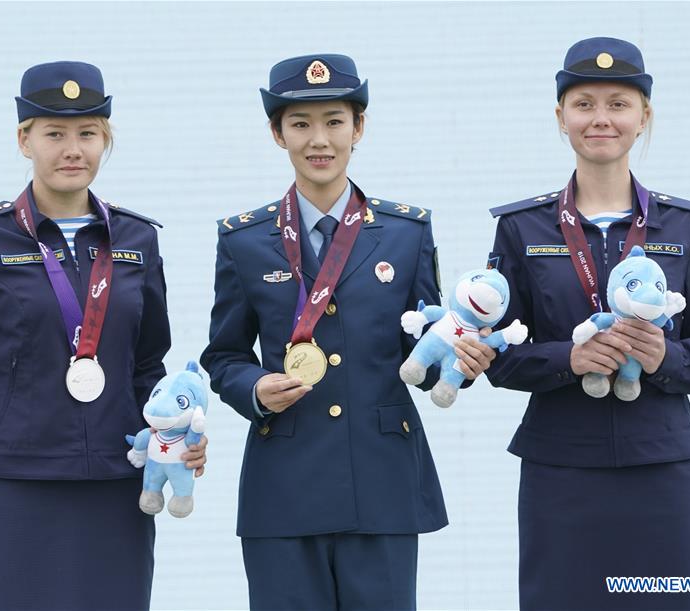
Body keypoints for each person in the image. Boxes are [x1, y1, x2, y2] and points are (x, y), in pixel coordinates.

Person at [200, 53, 495, 609]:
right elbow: (223, 355)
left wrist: (461, 359)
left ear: (359, 127)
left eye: (335, 121)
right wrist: (253, 390)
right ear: (277, 133)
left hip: (382, 482)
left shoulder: (406, 232)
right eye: (301, 123)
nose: (320, 139)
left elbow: (423, 340)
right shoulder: (243, 239)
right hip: (283, 485)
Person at [0, 61, 207, 611]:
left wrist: (179, 435)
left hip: (115, 493)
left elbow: (147, 369)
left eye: (87, 133)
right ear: (24, 140)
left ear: (106, 140)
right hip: (11, 494)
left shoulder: (137, 239)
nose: (72, 149)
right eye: (54, 133)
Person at [484, 37, 690, 610]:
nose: (601, 118)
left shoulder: (688, 225)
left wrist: (665, 358)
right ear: (561, 117)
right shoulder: (521, 229)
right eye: (583, 104)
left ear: (643, 116)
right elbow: (498, 356)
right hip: (561, 470)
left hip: (664, 469)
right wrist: (566, 359)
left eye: (619, 103)